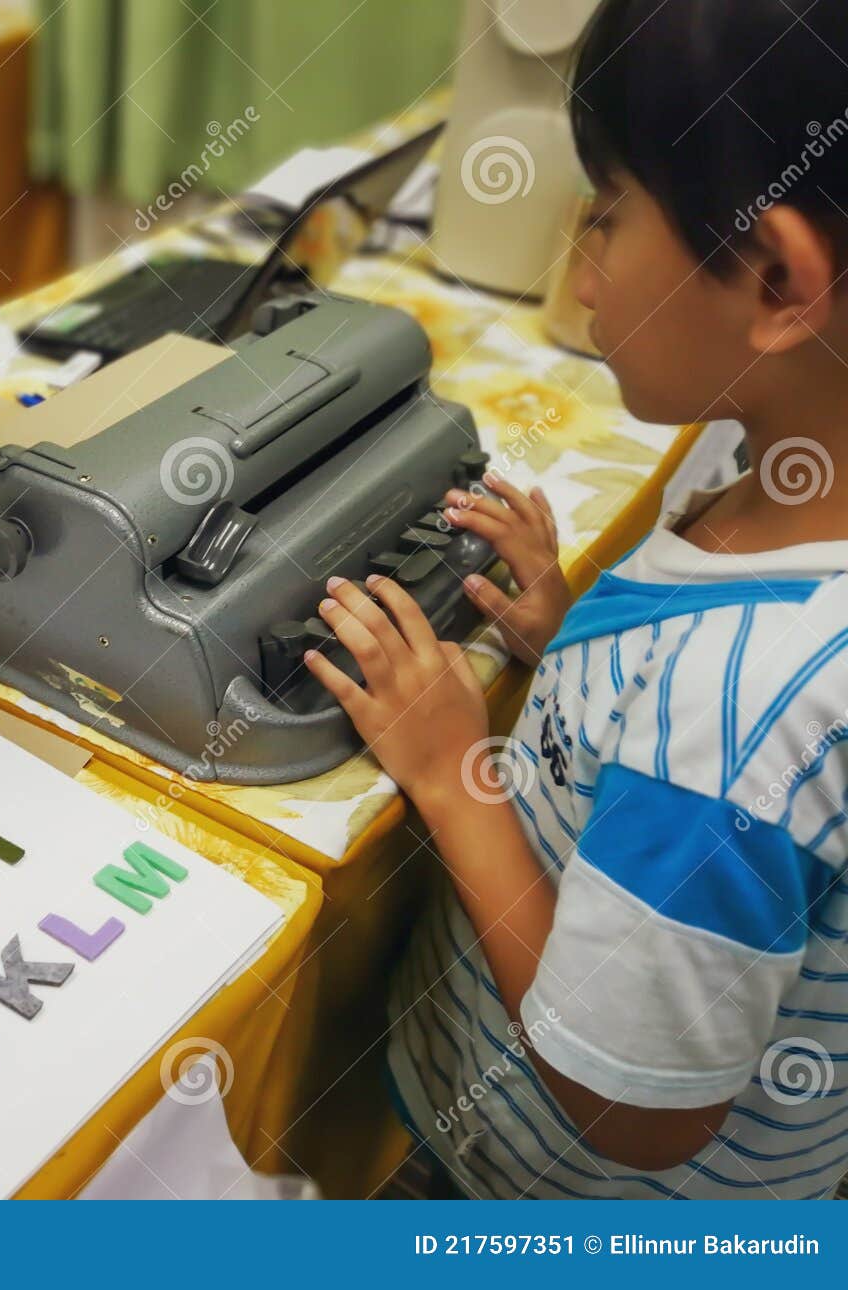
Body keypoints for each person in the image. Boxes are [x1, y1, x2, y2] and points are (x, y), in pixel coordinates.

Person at [304, 0, 848, 1197]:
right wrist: (575, 638)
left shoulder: (740, 699)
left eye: (605, 214)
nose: (582, 269)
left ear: (774, 277)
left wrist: (452, 775)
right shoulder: (767, 460)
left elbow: (630, 1104)